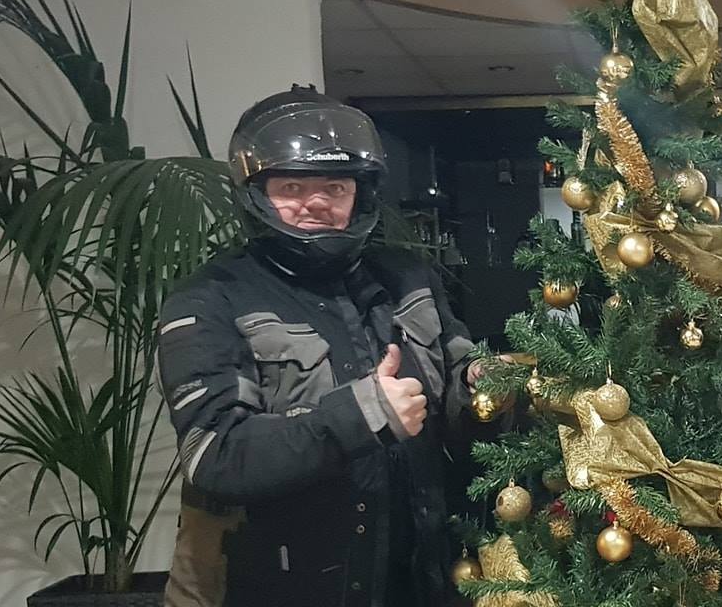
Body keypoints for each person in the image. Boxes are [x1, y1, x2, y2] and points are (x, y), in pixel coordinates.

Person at [159, 85, 495, 607]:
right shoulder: (211, 298)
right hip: (275, 585)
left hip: (419, 575)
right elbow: (214, 456)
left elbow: (453, 386)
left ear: (359, 193)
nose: (316, 202)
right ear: (257, 192)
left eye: (335, 187)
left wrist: (482, 386)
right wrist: (362, 415)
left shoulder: (408, 277)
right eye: (292, 186)